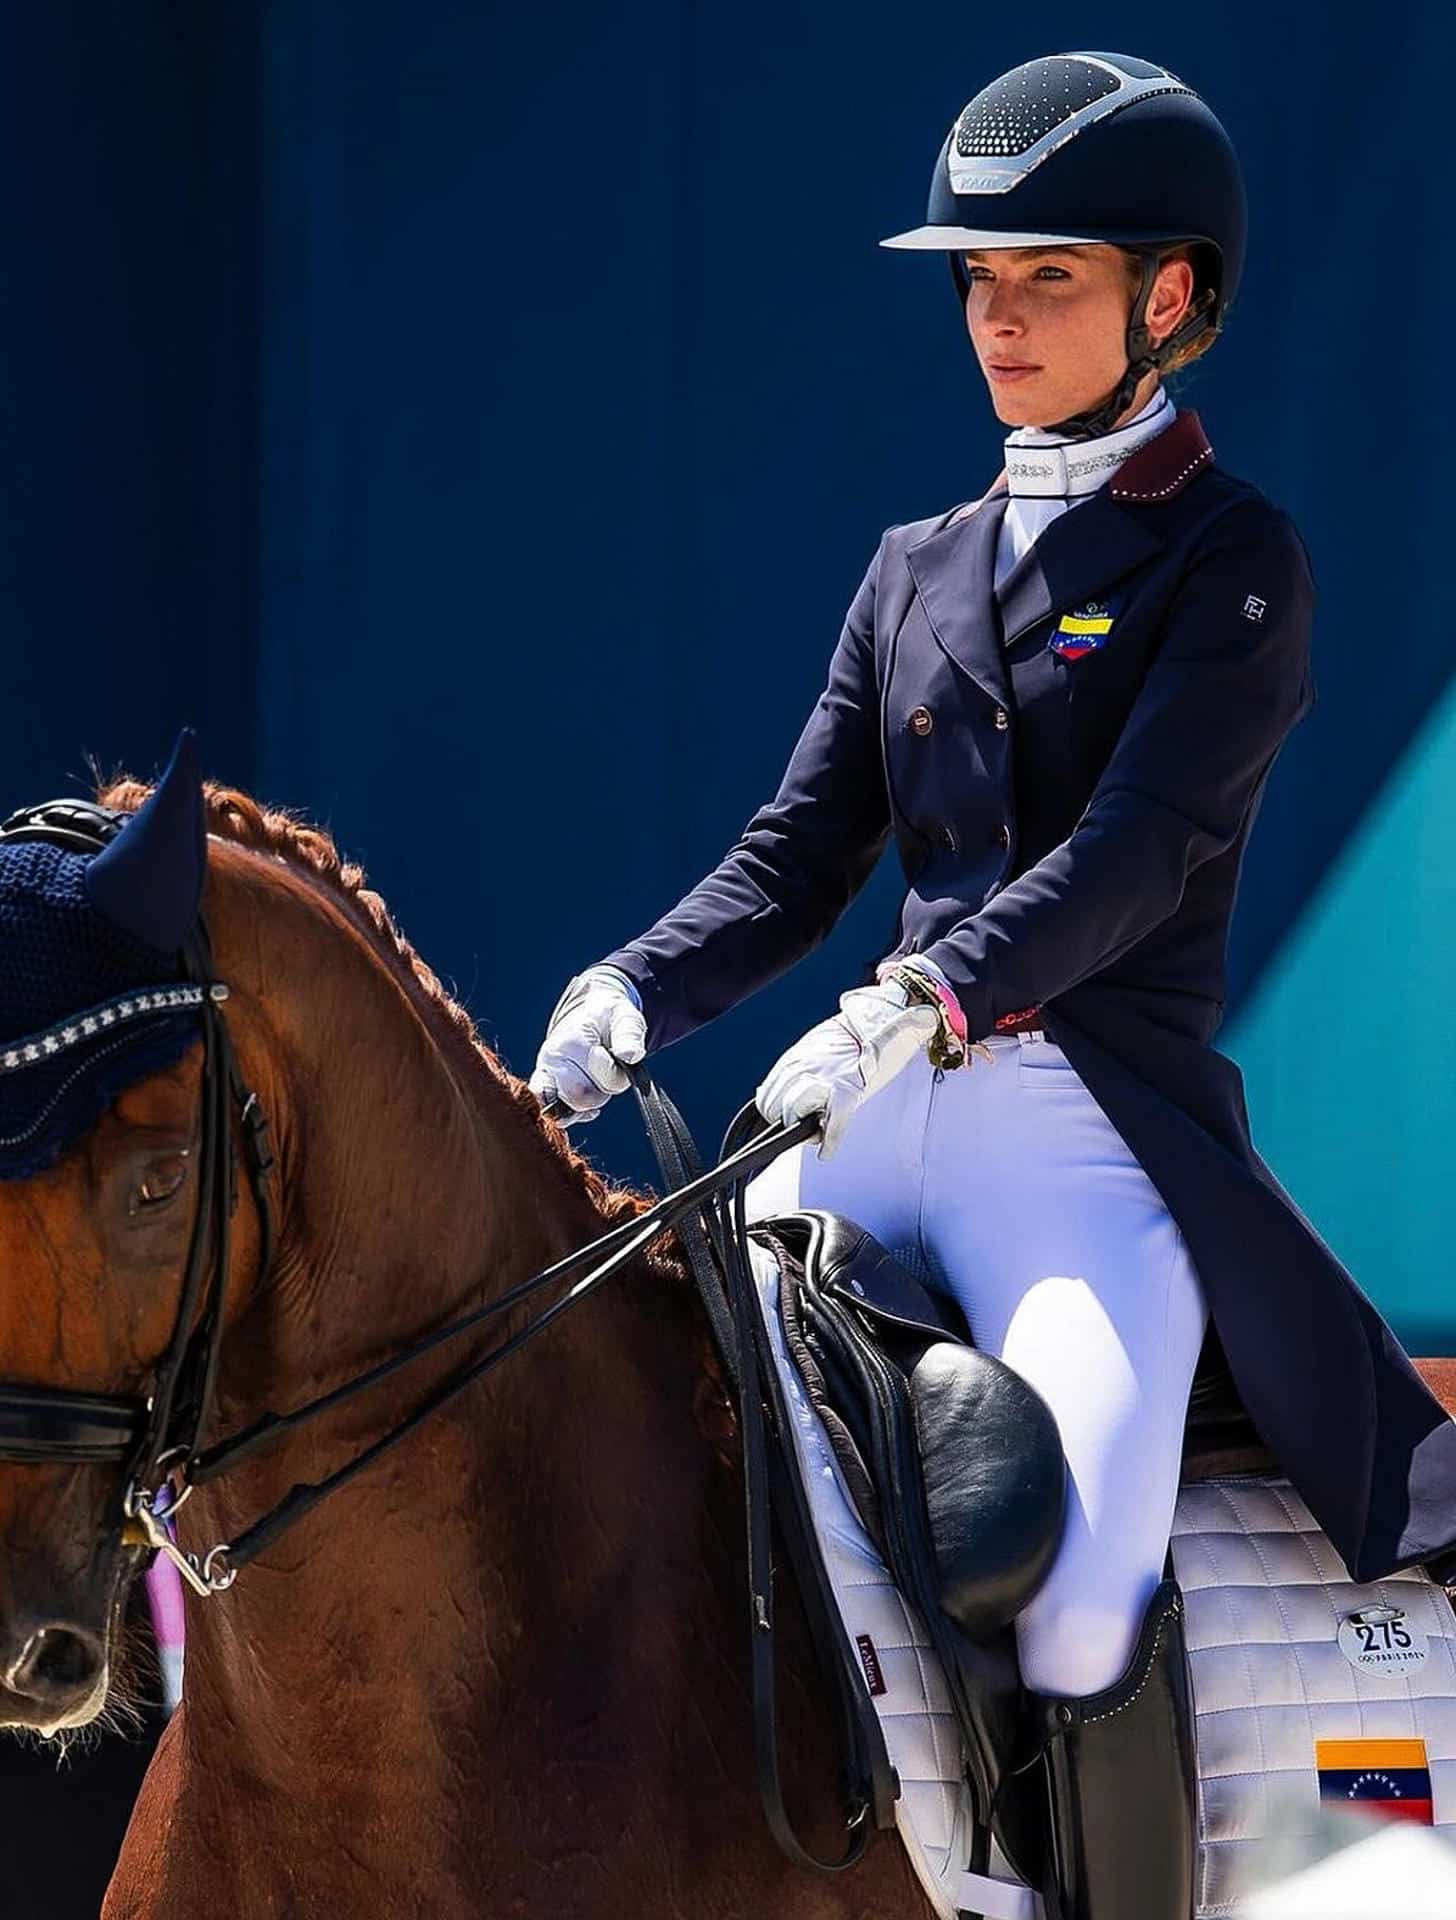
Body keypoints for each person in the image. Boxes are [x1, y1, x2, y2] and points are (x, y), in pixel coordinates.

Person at [529, 50, 1456, 1920]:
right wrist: (630, 989)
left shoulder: (1234, 564)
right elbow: (800, 858)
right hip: (875, 1119)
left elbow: (1138, 851)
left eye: (1048, 278)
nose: (999, 318)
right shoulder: (915, 567)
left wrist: (931, 997)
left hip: (1085, 1137)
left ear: (1168, 300)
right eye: (978, 280)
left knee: (1083, 1558)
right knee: (615, 1408)